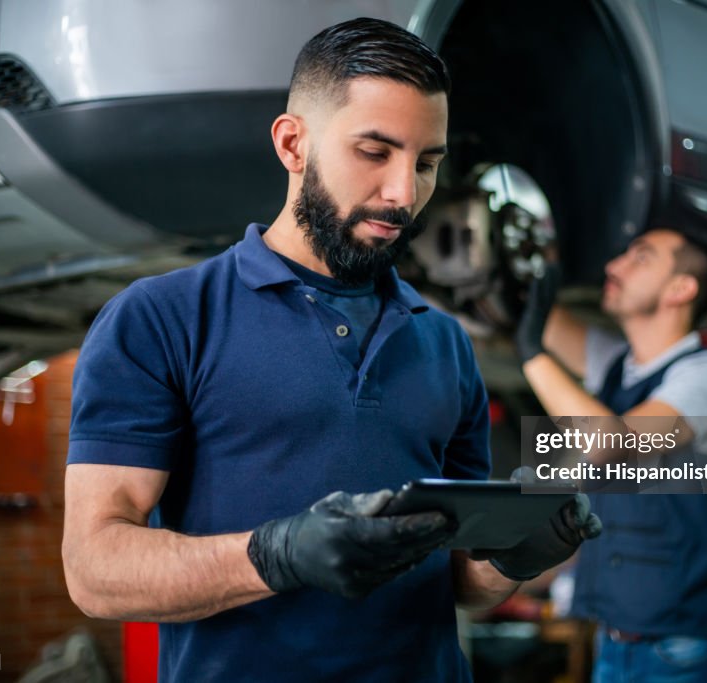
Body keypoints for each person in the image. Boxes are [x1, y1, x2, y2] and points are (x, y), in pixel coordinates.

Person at [61, 18, 598, 683]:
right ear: (293, 143)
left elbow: (460, 578)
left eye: (427, 163)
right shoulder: (163, 318)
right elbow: (95, 570)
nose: (405, 192)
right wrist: (276, 555)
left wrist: (516, 554)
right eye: (375, 151)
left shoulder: (444, 342)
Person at [516, 223, 707, 681]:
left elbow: (612, 443)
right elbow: (534, 319)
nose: (614, 265)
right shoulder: (617, 368)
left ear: (680, 288)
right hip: (615, 644)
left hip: (689, 654)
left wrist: (532, 355)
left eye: (640, 256)